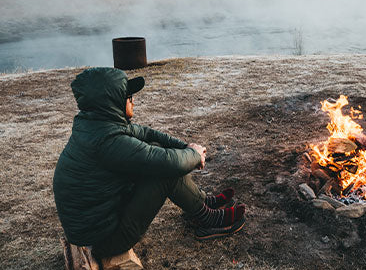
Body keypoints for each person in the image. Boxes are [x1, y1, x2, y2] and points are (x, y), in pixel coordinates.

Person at [53, 67, 245, 259]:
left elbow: (147, 134)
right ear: (113, 102)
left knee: (157, 151)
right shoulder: (108, 142)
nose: (133, 101)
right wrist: (194, 156)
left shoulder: (96, 126)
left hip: (98, 224)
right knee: (164, 172)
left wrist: (187, 147)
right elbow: (170, 164)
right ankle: (208, 219)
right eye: (129, 97)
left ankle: (201, 203)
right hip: (102, 241)